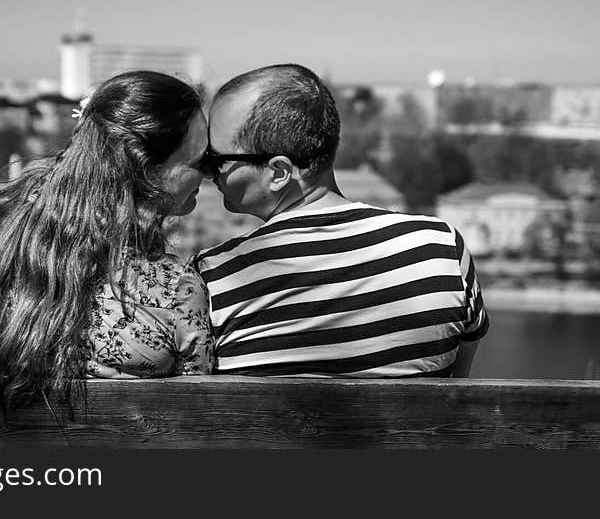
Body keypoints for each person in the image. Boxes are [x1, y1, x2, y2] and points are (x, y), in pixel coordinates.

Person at [0, 71, 215, 407]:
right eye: (200, 161)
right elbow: (195, 409)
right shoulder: (176, 287)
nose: (210, 172)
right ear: (146, 168)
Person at [194, 64, 488, 378]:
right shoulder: (441, 249)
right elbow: (458, 383)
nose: (207, 171)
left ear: (279, 173)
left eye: (216, 160)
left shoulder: (212, 279)